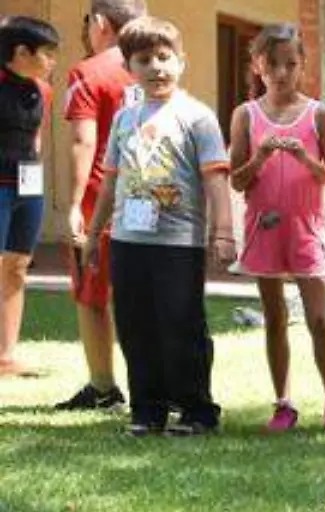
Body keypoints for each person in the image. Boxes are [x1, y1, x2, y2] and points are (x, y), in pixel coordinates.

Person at [82, 16, 235, 435]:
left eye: (164, 58)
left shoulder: (197, 117)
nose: (156, 68)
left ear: (181, 61)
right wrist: (94, 235)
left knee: (181, 324)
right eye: (144, 60)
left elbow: (216, 179)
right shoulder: (124, 119)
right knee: (135, 325)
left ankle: (197, 410)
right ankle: (147, 410)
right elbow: (110, 182)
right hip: (128, 240)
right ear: (129, 68)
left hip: (179, 243)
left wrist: (223, 232)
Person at [227, 23, 325, 433]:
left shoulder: (318, 115)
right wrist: (260, 157)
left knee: (318, 318)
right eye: (272, 64)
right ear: (258, 66)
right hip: (264, 228)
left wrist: (306, 160)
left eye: (290, 64)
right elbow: (237, 180)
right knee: (274, 317)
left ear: (302, 65)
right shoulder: (246, 115)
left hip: (307, 229)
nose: (281, 73)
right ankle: (283, 404)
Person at [56, 0, 146, 410]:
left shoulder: (88, 72)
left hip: (102, 198)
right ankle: (157, 387)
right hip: (152, 196)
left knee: (92, 295)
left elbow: (83, 140)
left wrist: (74, 204)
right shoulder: (157, 67)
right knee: (146, 295)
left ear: (100, 22)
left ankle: (103, 387)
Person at [0, 16, 58, 378]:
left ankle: (6, 357)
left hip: (28, 188)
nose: (53, 61)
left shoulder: (42, 90)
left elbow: (36, 139)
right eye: (47, 53)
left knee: (18, 266)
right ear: (21, 52)